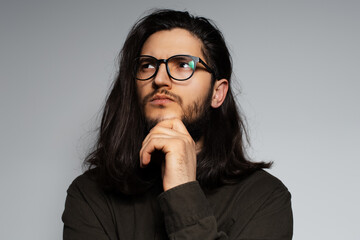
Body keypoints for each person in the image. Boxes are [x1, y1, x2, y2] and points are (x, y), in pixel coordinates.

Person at [62, 9, 293, 240]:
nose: (159, 79)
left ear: (217, 93)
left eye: (183, 65)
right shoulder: (89, 194)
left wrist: (182, 192)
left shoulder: (264, 197)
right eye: (148, 65)